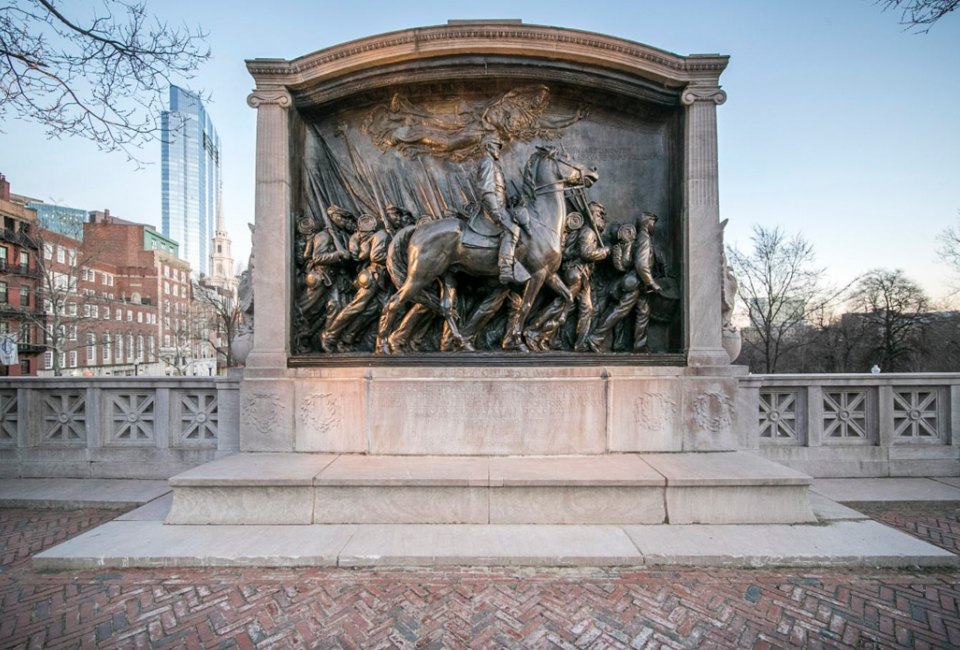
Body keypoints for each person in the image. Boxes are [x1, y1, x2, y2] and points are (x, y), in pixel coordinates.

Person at [524, 203, 610, 350]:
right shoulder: (588, 232)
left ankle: (568, 341)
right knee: (562, 304)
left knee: (585, 308)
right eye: (598, 215)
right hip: (576, 273)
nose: (602, 218)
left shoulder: (586, 232)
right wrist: (605, 251)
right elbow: (586, 253)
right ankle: (533, 331)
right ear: (590, 216)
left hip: (581, 275)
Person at [585, 212, 662, 353]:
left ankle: (640, 345)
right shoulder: (644, 238)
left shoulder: (641, 237)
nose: (654, 226)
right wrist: (651, 283)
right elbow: (641, 264)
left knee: (643, 312)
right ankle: (595, 338)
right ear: (646, 223)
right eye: (652, 222)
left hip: (639, 284)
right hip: (636, 282)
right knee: (620, 311)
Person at [321, 213, 390, 352]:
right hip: (371, 275)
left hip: (381, 277)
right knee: (355, 307)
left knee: (372, 309)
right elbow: (359, 256)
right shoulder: (375, 235)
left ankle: (347, 338)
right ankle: (330, 335)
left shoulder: (366, 236)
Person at [295, 208, 354, 351]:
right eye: (342, 219)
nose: (345, 222)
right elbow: (318, 257)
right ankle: (299, 338)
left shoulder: (339, 236)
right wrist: (338, 254)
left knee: (336, 306)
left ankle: (326, 340)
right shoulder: (324, 236)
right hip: (320, 277)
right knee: (305, 309)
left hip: (332, 278)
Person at [475, 134, 528, 283]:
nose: (499, 149)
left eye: (499, 147)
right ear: (487, 147)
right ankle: (505, 268)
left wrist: (511, 201)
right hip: (492, 209)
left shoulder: (494, 164)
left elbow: (499, 190)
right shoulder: (487, 163)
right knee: (513, 229)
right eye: (496, 146)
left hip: (500, 206)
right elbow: (486, 190)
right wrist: (495, 212)